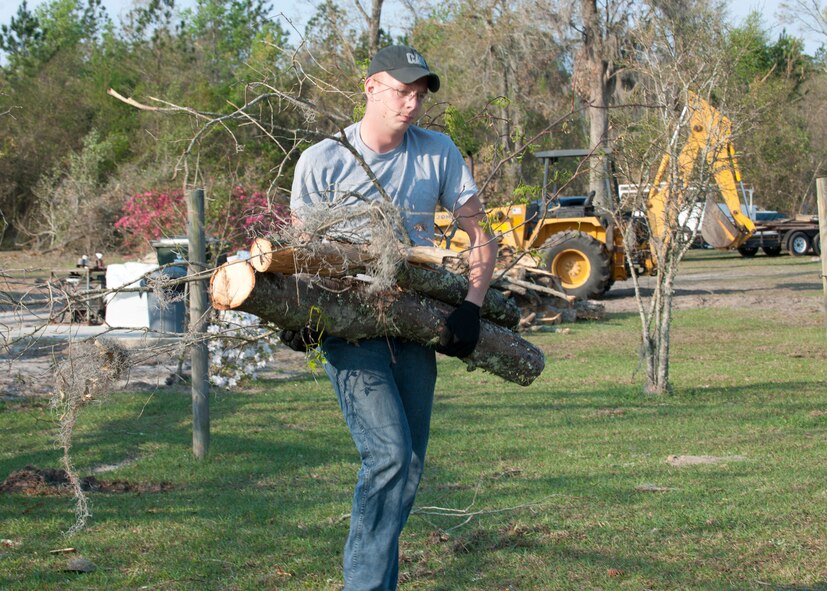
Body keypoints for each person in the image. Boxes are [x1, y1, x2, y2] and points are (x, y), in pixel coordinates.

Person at [284, 44, 497, 591]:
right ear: (371, 86)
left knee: (408, 470)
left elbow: (479, 234)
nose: (411, 104)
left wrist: (471, 307)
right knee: (389, 455)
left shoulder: (437, 152)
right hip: (351, 329)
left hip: (415, 325)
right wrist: (299, 311)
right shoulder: (323, 160)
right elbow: (301, 254)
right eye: (402, 91)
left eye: (419, 95)